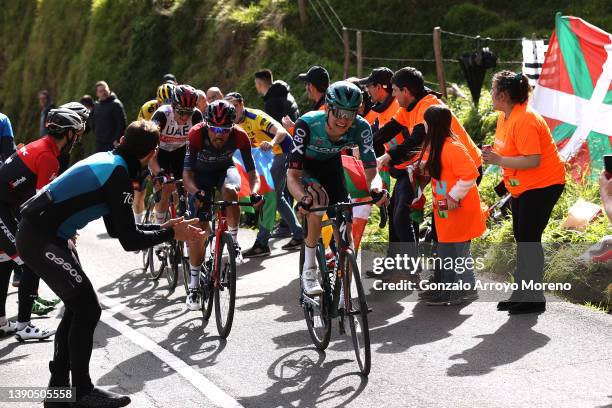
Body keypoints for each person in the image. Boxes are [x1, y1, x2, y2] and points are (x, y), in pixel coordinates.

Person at [17, 120, 204, 407]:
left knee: (78, 307)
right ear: (152, 153)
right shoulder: (117, 174)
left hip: (43, 234)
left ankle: (58, 392)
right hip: (41, 237)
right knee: (86, 307)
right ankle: (82, 391)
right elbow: (129, 240)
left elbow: (118, 230)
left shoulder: (112, 162)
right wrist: (170, 232)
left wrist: (166, 227)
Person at [375, 67, 482, 274]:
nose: (393, 96)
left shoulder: (429, 107)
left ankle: (459, 284)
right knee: (441, 227)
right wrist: (364, 146)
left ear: (406, 91)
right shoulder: (408, 107)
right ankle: (443, 279)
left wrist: (388, 156)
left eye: (395, 91)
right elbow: (387, 131)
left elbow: (416, 138)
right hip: (442, 172)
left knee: (453, 232)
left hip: (464, 170)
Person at [287, 81, 386, 295]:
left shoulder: (361, 127)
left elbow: (372, 172)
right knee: (318, 202)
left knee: (345, 230)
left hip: (332, 168)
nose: (344, 119)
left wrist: (376, 189)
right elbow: (292, 176)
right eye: (339, 112)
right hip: (306, 169)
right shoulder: (307, 124)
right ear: (328, 108)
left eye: (350, 114)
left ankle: (345, 296)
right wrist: (303, 198)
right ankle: (309, 270)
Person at [483, 70, 566, 315]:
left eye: (493, 89)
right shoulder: (506, 116)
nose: (490, 93)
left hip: (543, 185)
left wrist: (498, 159)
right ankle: (522, 292)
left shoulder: (526, 119)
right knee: (523, 237)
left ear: (504, 95)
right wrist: (496, 156)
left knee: (529, 239)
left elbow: (533, 160)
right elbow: (510, 152)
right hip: (523, 186)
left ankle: (534, 298)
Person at [0, 108, 85, 341]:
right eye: (76, 134)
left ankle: (2, 322)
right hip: (3, 208)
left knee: (6, 260)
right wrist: (63, 231)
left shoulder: (42, 146)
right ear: (67, 133)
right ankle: (24, 326)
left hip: (6, 206)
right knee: (30, 260)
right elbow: (42, 207)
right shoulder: (48, 157)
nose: (77, 140)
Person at [182, 100, 262, 310]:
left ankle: (233, 243)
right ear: (207, 125)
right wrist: (196, 192)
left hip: (224, 171)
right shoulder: (196, 134)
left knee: (231, 192)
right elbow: (187, 175)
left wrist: (254, 192)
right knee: (200, 231)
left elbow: (253, 174)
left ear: (232, 128)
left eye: (225, 130)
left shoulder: (240, 135)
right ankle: (193, 286)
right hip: (199, 177)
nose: (219, 135)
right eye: (215, 129)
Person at [413, 105, 485, 305]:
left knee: (460, 253)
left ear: (432, 125)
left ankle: (468, 290)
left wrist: (454, 197)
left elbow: (471, 173)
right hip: (446, 211)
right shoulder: (439, 146)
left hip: (458, 209)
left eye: (425, 123)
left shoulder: (452, 146)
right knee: (445, 251)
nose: (423, 126)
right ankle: (445, 290)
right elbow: (445, 171)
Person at [223, 92, 304, 257]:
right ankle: (299, 234)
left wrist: (272, 142)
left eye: (234, 106)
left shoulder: (255, 116)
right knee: (278, 197)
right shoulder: (231, 122)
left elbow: (281, 132)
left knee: (268, 196)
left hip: (282, 152)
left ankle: (262, 243)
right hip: (267, 159)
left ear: (241, 104)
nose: (232, 110)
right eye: (228, 107)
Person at [149, 85, 203, 225]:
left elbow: (201, 146)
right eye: (181, 112)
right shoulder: (162, 115)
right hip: (159, 152)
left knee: (185, 187)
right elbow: (149, 149)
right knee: (166, 188)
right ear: (173, 106)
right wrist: (158, 172)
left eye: (188, 112)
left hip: (180, 152)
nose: (185, 117)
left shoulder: (196, 116)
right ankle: (159, 227)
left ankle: (180, 213)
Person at [358, 67, 400, 153]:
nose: (367, 90)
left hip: (406, 164)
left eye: (368, 86)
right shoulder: (381, 108)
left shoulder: (399, 107)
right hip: (390, 161)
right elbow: (371, 132)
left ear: (378, 87)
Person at [91, 81, 127, 152]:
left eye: (105, 90)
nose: (103, 93)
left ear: (109, 89)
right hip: (100, 144)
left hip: (113, 144)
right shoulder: (96, 106)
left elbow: (121, 123)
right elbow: (93, 122)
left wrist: (117, 139)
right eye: (100, 91)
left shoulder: (116, 104)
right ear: (97, 93)